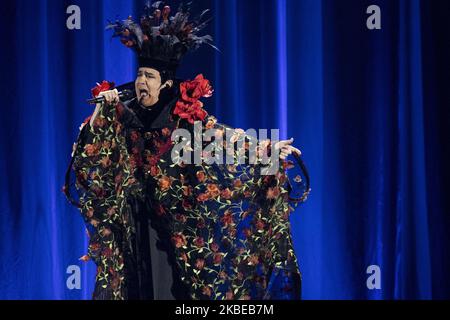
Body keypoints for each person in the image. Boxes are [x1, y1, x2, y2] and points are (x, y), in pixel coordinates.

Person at [64, 2, 310, 300]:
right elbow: (89, 149)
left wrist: (266, 148)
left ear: (166, 82)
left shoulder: (182, 116)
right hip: (130, 225)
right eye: (140, 74)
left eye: (150, 77)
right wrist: (101, 111)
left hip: (172, 223)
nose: (142, 82)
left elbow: (222, 139)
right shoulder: (121, 111)